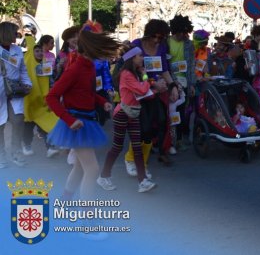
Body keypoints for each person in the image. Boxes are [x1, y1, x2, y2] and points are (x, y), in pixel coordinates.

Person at [46, 23, 120, 202]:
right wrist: (69, 120)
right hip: (76, 124)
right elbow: (51, 97)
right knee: (92, 170)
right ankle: (88, 225)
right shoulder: (75, 69)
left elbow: (87, 92)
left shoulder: (89, 67)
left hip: (86, 121)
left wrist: (103, 102)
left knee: (80, 168)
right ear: (92, 49)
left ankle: (64, 203)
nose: (104, 54)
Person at [98, 46, 162, 193]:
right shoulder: (127, 74)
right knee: (117, 147)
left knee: (137, 147)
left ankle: (143, 181)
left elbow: (142, 93)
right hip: (122, 113)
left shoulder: (134, 74)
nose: (142, 58)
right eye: (139, 56)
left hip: (133, 113)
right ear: (132, 58)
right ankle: (103, 176)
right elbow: (142, 90)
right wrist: (146, 78)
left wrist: (146, 82)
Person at [124, 19, 179, 172]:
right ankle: (134, 158)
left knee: (162, 121)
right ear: (147, 34)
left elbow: (165, 70)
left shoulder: (161, 47)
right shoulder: (136, 44)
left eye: (160, 38)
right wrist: (151, 83)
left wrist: (173, 85)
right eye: (154, 37)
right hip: (140, 92)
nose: (156, 40)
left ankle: (161, 152)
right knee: (145, 127)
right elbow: (128, 71)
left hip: (156, 92)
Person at [0, 21, 32, 168]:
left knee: (18, 122)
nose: (17, 35)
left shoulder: (17, 50)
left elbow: (23, 70)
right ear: (6, 33)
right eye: (15, 33)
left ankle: (16, 153)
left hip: (15, 91)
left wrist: (27, 83)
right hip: (0, 91)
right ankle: (1, 156)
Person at [21, 34, 59, 158]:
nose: (39, 53)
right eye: (36, 51)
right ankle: (26, 145)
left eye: (40, 51)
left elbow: (50, 81)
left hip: (41, 102)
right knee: (28, 126)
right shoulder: (26, 64)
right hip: (29, 102)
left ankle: (50, 147)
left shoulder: (45, 65)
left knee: (45, 124)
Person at [167, 15, 196, 152]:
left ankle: (178, 140)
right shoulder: (166, 43)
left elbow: (191, 65)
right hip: (170, 81)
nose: (183, 35)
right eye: (181, 32)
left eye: (186, 32)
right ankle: (168, 140)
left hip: (184, 81)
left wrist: (191, 84)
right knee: (169, 111)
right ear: (174, 30)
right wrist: (172, 81)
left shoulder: (189, 44)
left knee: (181, 112)